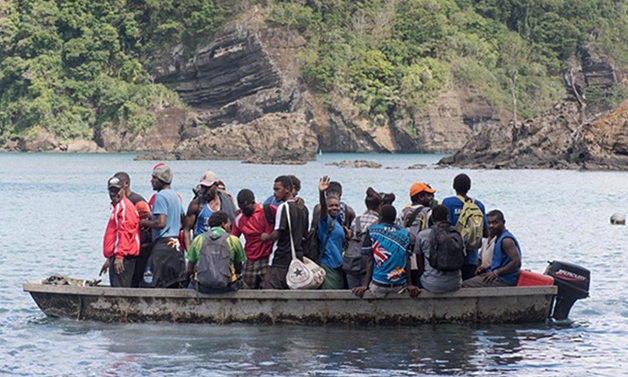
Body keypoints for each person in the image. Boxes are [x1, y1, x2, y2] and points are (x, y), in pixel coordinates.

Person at [352, 205, 420, 298]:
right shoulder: (404, 232)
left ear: (380, 217)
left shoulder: (372, 230)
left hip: (379, 285)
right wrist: (410, 284)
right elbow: (407, 259)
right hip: (399, 285)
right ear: (395, 218)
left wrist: (365, 285)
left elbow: (370, 260)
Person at [139, 164, 187, 288]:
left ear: (162, 180)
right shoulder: (175, 196)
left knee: (150, 281)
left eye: (154, 178)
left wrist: (145, 223)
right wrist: (174, 227)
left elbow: (161, 223)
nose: (151, 181)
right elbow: (183, 219)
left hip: (163, 246)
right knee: (172, 282)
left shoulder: (160, 196)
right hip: (175, 245)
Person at [261, 176, 309, 289]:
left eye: (277, 189)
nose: (274, 193)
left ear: (287, 189)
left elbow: (277, 234)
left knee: (271, 291)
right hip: (297, 258)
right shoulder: (304, 208)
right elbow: (305, 233)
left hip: (281, 258)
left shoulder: (283, 207)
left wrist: (266, 237)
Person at [441, 174, 488, 280]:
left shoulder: (447, 202)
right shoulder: (478, 205)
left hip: (452, 256)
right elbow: (485, 232)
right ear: (469, 187)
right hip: (471, 256)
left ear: (454, 186)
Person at [187, 211, 245, 293]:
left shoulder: (199, 239)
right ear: (223, 224)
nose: (230, 226)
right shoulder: (233, 240)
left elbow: (190, 267)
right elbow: (238, 266)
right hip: (227, 287)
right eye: (228, 223)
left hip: (202, 286)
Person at [463, 210, 522, 287]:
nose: (491, 226)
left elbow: (516, 262)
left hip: (504, 280)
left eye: (495, 223)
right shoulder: (497, 238)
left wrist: (496, 273)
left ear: (503, 222)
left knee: (464, 285)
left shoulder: (506, 240)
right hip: (497, 276)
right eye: (489, 223)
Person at [99, 176, 140, 287]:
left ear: (123, 190)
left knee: (120, 292)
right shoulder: (118, 207)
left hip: (124, 259)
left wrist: (119, 256)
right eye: (111, 190)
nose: (113, 194)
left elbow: (125, 232)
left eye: (116, 190)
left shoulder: (124, 208)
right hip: (118, 256)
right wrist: (110, 258)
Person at [231, 189, 276, 289]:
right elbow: (233, 240)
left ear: (253, 202)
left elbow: (284, 217)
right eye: (241, 208)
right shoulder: (239, 218)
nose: (244, 211)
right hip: (250, 260)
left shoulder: (268, 210)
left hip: (267, 258)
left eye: (246, 208)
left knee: (269, 289)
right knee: (247, 290)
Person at [182, 170, 237, 251]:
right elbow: (186, 229)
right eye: (203, 187)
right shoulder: (196, 204)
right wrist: (190, 252)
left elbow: (233, 226)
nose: (204, 190)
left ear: (216, 186)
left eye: (208, 187)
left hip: (221, 250)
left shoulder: (226, 202)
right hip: (201, 250)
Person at [414, 205, 462, 293]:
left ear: (432, 219)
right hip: (455, 283)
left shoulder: (422, 235)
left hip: (431, 283)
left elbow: (419, 261)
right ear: (447, 217)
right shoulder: (456, 234)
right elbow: (462, 257)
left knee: (417, 282)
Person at [397, 182, 436, 285]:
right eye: (428, 195)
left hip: (406, 256)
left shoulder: (403, 212)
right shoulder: (428, 212)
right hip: (422, 257)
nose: (431, 197)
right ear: (420, 197)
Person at [344, 188, 382, 289]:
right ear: (379, 206)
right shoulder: (378, 222)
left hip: (351, 261)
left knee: (352, 291)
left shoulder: (357, 220)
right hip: (367, 263)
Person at [316, 176, 348, 289]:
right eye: (331, 206)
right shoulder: (325, 221)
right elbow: (323, 209)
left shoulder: (337, 223)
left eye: (336, 205)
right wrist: (321, 193)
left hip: (338, 265)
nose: (334, 208)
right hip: (328, 265)